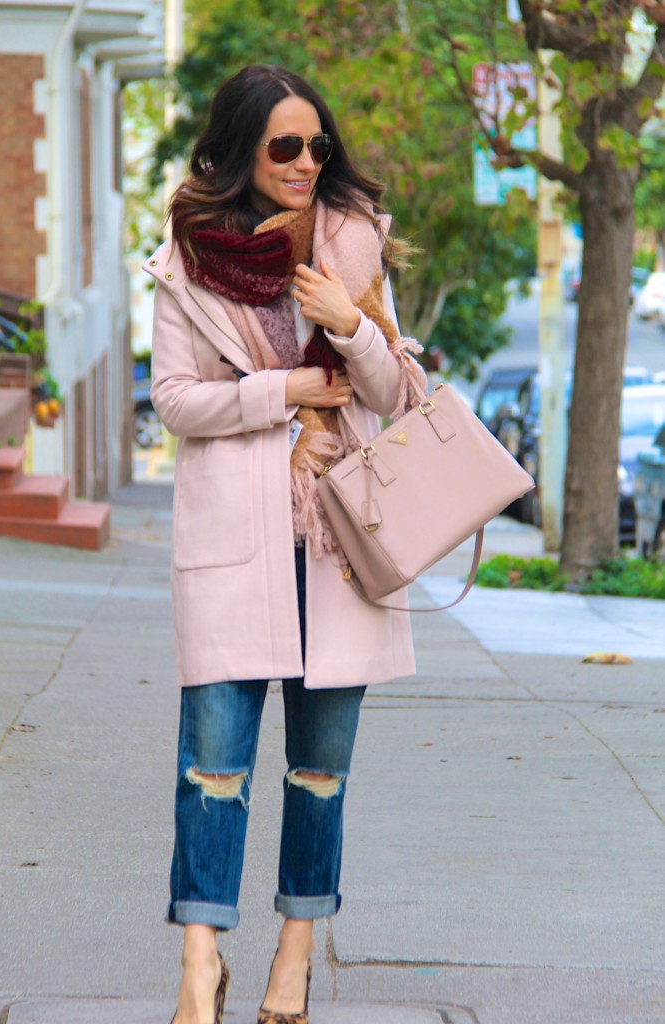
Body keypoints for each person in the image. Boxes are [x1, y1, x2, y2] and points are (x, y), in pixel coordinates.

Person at [145, 63, 425, 1024]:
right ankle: (198, 966)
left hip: (334, 542)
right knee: (213, 765)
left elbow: (394, 398)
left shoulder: (353, 245)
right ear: (242, 152)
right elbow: (174, 402)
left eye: (318, 145)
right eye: (285, 147)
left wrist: (351, 328)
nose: (307, 163)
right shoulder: (186, 256)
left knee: (319, 770)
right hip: (236, 534)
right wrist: (283, 394)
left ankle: (293, 959)